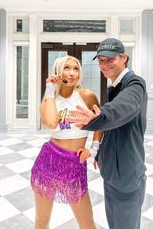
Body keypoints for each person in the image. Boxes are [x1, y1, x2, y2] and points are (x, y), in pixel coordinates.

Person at [69, 38, 148, 229]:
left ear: (124, 58)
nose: (104, 65)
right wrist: (100, 152)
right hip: (112, 172)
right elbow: (115, 127)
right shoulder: (114, 85)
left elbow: (121, 108)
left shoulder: (134, 84)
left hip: (127, 176)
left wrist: (98, 116)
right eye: (101, 60)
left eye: (110, 59)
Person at [31, 55, 103, 229]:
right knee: (41, 222)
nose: (72, 73)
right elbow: (50, 123)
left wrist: (93, 150)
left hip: (74, 164)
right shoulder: (49, 101)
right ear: (58, 71)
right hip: (48, 162)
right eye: (67, 68)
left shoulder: (87, 96)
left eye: (76, 68)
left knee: (87, 224)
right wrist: (50, 89)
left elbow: (101, 124)